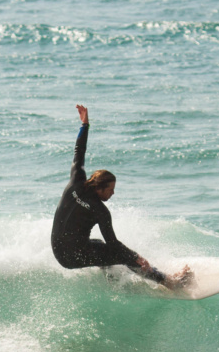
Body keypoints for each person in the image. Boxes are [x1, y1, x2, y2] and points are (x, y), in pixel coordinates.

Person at [51, 105, 189, 289]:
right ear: (100, 188)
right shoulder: (100, 210)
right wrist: (136, 257)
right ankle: (169, 282)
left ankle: (110, 277)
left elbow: (79, 152)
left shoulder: (76, 181)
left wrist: (84, 125)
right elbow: (114, 243)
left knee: (98, 245)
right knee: (122, 255)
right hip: (71, 257)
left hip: (58, 249)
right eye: (110, 189)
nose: (113, 193)